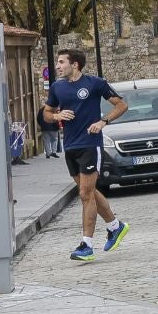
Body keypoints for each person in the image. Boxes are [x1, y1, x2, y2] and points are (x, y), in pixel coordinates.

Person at [44, 48, 131, 262]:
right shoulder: (57, 87)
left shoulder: (95, 84)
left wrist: (103, 122)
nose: (57, 66)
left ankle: (87, 245)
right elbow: (45, 114)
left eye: (61, 62)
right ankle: (115, 226)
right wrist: (56, 116)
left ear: (75, 65)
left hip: (91, 144)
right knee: (88, 192)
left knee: (85, 193)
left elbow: (122, 105)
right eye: (58, 62)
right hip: (70, 146)